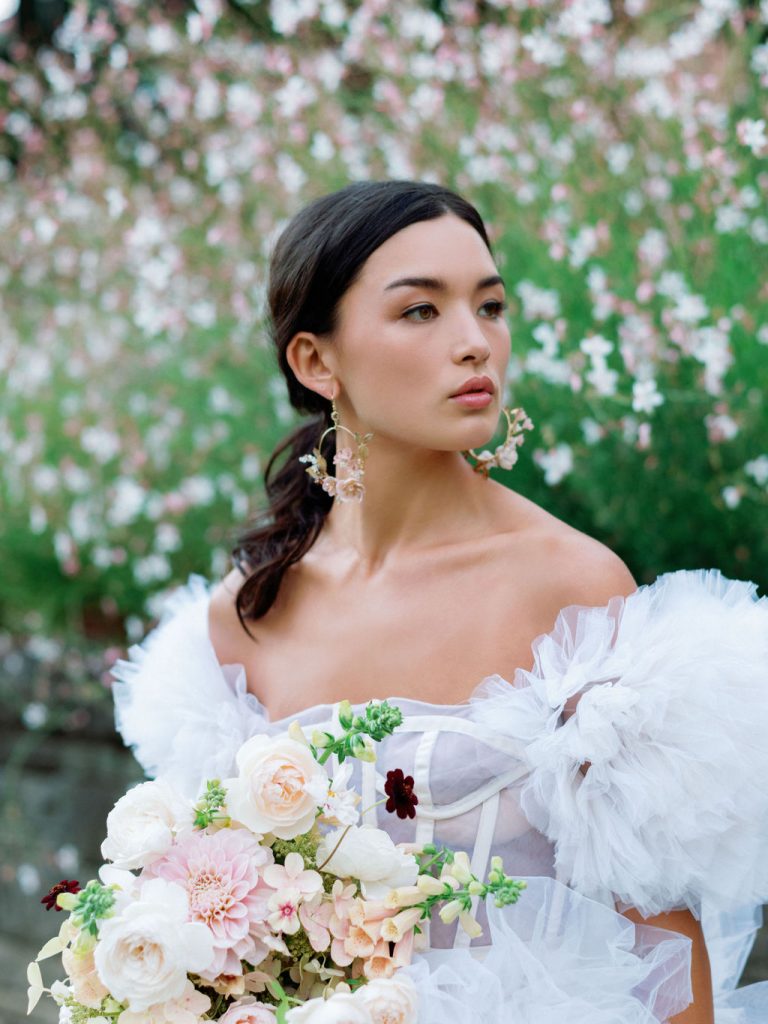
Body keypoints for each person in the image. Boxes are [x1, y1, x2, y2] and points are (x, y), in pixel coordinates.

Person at [113, 180, 768, 1023]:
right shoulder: (243, 622)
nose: (475, 344)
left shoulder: (571, 589)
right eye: (421, 311)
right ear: (317, 361)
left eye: (490, 306)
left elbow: (670, 963)